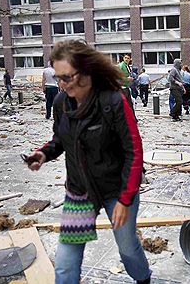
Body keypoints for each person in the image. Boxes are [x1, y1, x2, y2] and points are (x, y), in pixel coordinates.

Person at [25, 40, 151, 284]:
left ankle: (143, 279)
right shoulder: (62, 103)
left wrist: (125, 200)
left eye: (67, 77)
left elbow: (133, 152)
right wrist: (44, 154)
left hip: (117, 190)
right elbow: (61, 139)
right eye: (58, 78)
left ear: (87, 72)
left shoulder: (113, 101)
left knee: (127, 249)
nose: (61, 84)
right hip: (80, 192)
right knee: (65, 262)